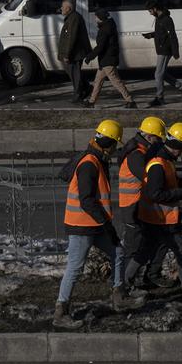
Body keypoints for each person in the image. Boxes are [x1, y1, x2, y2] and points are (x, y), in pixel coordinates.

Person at [122, 122, 182, 306]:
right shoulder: (159, 164)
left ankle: (123, 287)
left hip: (155, 219)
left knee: (143, 253)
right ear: (178, 145)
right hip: (162, 220)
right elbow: (156, 193)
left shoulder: (163, 160)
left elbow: (167, 184)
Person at [54, 119, 124, 327]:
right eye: (114, 145)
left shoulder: (94, 158)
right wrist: (106, 223)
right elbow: (86, 200)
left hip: (93, 224)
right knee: (75, 268)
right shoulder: (89, 164)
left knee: (118, 252)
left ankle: (119, 297)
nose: (115, 150)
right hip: (83, 226)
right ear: (109, 143)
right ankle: (60, 313)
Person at [112, 116, 166, 306]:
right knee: (133, 248)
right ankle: (123, 288)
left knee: (142, 245)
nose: (160, 142)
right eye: (158, 139)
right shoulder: (136, 154)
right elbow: (147, 176)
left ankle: (128, 283)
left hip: (136, 206)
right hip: (131, 208)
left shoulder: (140, 149)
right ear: (150, 136)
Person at [87, 10, 136, 108]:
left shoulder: (105, 29)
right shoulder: (108, 26)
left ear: (100, 18)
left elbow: (100, 46)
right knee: (98, 81)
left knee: (116, 82)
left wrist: (90, 57)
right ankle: (91, 102)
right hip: (106, 59)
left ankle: (130, 101)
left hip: (107, 59)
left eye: (96, 17)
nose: (95, 18)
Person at [144, 4, 182, 106]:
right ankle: (181, 86)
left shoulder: (167, 19)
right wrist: (151, 35)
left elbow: (172, 36)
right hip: (161, 50)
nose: (150, 13)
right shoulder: (159, 19)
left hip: (165, 50)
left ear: (155, 9)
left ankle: (160, 98)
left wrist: (175, 51)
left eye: (150, 11)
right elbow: (160, 33)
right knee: (162, 74)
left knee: (158, 74)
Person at [57, 0, 91, 103]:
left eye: (63, 7)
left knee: (75, 74)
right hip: (73, 53)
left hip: (75, 53)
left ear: (68, 8)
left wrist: (67, 54)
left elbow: (71, 38)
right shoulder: (71, 17)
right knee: (75, 73)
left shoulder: (74, 18)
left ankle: (78, 94)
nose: (61, 9)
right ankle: (86, 88)